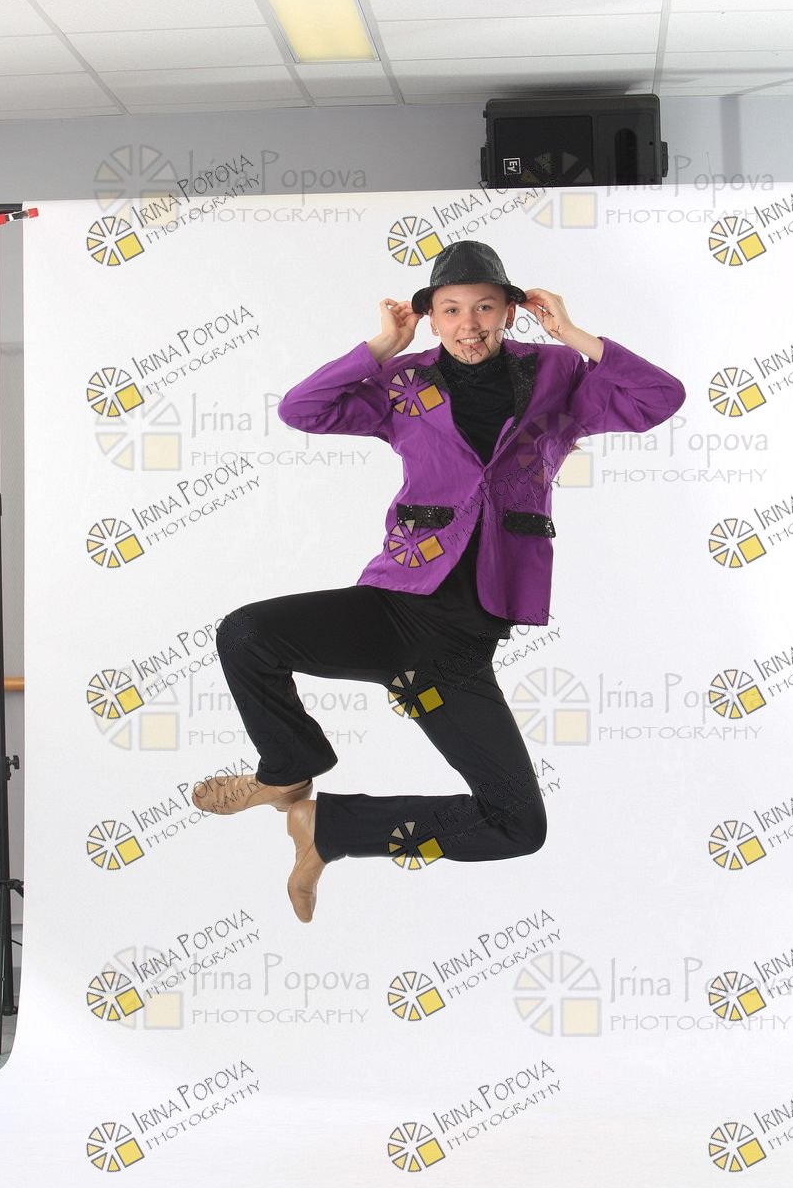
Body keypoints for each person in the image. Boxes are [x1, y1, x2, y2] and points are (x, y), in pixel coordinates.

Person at [191, 240, 686, 923]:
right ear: (430, 317)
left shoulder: (559, 374)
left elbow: (660, 397)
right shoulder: (403, 380)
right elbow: (303, 410)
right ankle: (290, 766)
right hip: (392, 608)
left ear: (511, 310)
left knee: (517, 826)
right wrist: (380, 347)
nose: (468, 323)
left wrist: (572, 333)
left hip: (458, 651)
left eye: (484, 307)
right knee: (247, 633)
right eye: (450, 309)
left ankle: (326, 829)